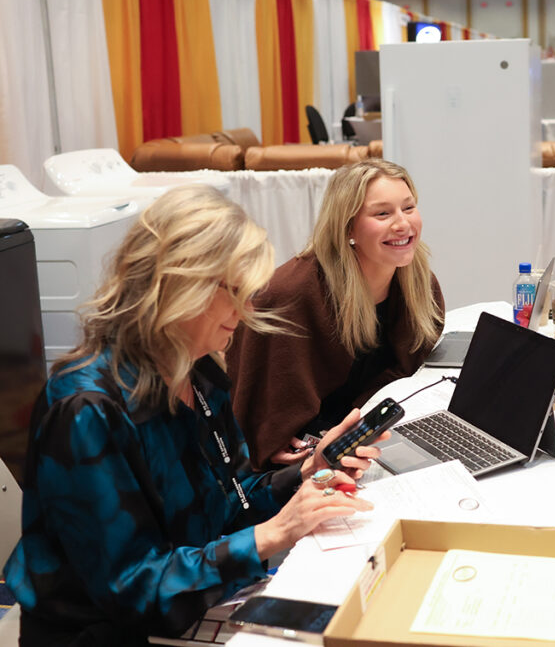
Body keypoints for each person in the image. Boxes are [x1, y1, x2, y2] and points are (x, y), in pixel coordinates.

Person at [3, 186, 381, 645]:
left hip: (189, 610)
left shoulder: (198, 370)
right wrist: (270, 536)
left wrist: (309, 471)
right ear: (183, 286)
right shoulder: (86, 410)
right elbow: (132, 589)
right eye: (237, 291)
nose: (246, 311)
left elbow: (229, 506)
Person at [227, 159, 444, 469]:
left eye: (408, 208)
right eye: (383, 213)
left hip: (367, 432)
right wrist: (273, 436)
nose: (402, 224)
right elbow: (257, 395)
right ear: (348, 227)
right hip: (304, 458)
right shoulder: (291, 293)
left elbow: (409, 361)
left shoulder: (418, 280)